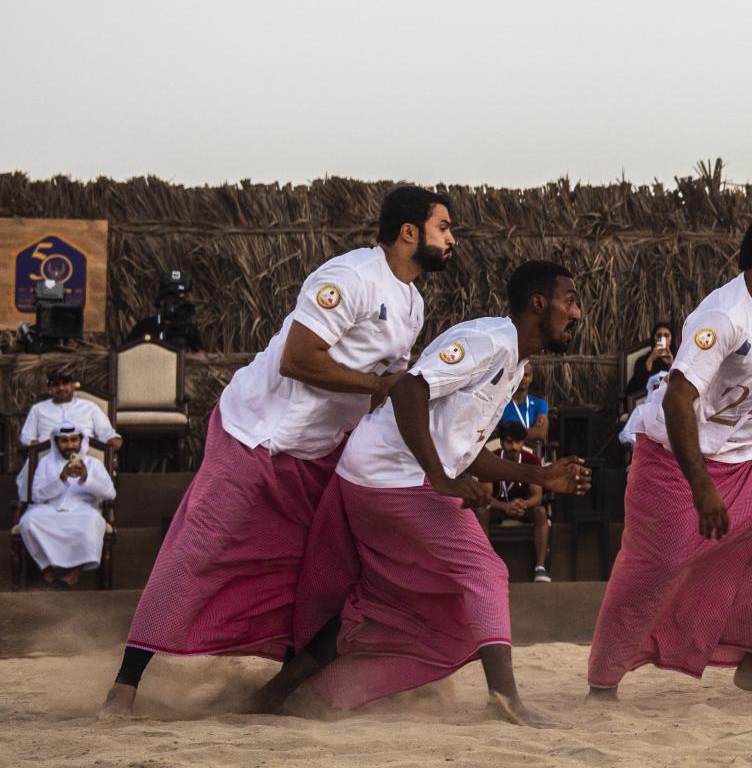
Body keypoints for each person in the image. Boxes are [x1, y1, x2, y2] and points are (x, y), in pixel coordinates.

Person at [100, 185, 453, 718]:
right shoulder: (350, 278)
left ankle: (285, 689)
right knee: (200, 552)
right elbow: (297, 360)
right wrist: (376, 387)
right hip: (256, 433)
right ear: (410, 233)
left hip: (318, 451)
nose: (452, 239)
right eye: (444, 228)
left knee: (322, 569)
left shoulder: (413, 303)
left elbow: (385, 379)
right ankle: (124, 687)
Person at [248, 261, 593, 724]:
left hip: (387, 477)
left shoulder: (515, 365)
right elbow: (410, 389)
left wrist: (540, 476)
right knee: (484, 570)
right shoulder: (487, 341)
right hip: (392, 477)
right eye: (570, 301)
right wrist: (441, 478)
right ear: (538, 303)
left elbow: (461, 449)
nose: (578, 313)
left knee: (384, 602)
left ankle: (286, 695)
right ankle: (506, 701)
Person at [587, 215, 752, 703]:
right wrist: (702, 489)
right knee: (659, 563)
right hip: (678, 455)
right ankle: (604, 680)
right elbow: (678, 400)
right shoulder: (721, 318)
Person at [16, 425, 115, 589]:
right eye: (64, 441)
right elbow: (36, 496)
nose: (70, 445)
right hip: (50, 509)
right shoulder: (45, 463)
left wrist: (86, 479)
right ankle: (47, 572)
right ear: (56, 442)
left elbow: (110, 493)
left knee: (92, 520)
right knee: (28, 520)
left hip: (82, 510)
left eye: (74, 440)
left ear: (81, 440)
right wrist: (61, 479)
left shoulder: (93, 463)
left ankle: (73, 575)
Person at [482, 420, 551, 583]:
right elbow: (485, 496)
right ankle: (484, 565)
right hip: (498, 506)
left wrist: (523, 504)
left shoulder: (532, 460)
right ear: (501, 442)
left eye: (518, 442)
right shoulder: (492, 459)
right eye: (509, 442)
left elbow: (537, 496)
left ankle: (540, 567)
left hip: (523, 507)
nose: (514, 446)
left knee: (540, 512)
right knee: (482, 511)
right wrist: (505, 506)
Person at [19, 368, 121, 453]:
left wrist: (112, 439)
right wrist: (38, 446)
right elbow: (26, 436)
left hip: (85, 455)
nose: (61, 388)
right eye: (56, 385)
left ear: (73, 386)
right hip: (48, 455)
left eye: (65, 383)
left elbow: (105, 431)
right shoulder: (38, 409)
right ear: (49, 389)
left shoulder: (90, 407)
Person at [501, 362, 550, 449]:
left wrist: (508, 434)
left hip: (531, 451)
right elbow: (493, 431)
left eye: (526, 375)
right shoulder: (501, 403)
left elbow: (540, 433)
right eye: (519, 374)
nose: (522, 378)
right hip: (506, 451)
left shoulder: (539, 404)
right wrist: (529, 433)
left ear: (531, 377)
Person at [624, 320, 675, 398]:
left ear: (671, 339)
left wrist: (671, 365)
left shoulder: (679, 358)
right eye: (659, 335)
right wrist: (649, 361)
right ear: (654, 339)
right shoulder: (642, 360)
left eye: (666, 335)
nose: (662, 339)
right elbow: (632, 390)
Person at [620, 372, 668, 449]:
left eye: (662, 388)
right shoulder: (641, 410)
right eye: (656, 388)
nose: (658, 391)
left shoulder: (674, 412)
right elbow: (628, 434)